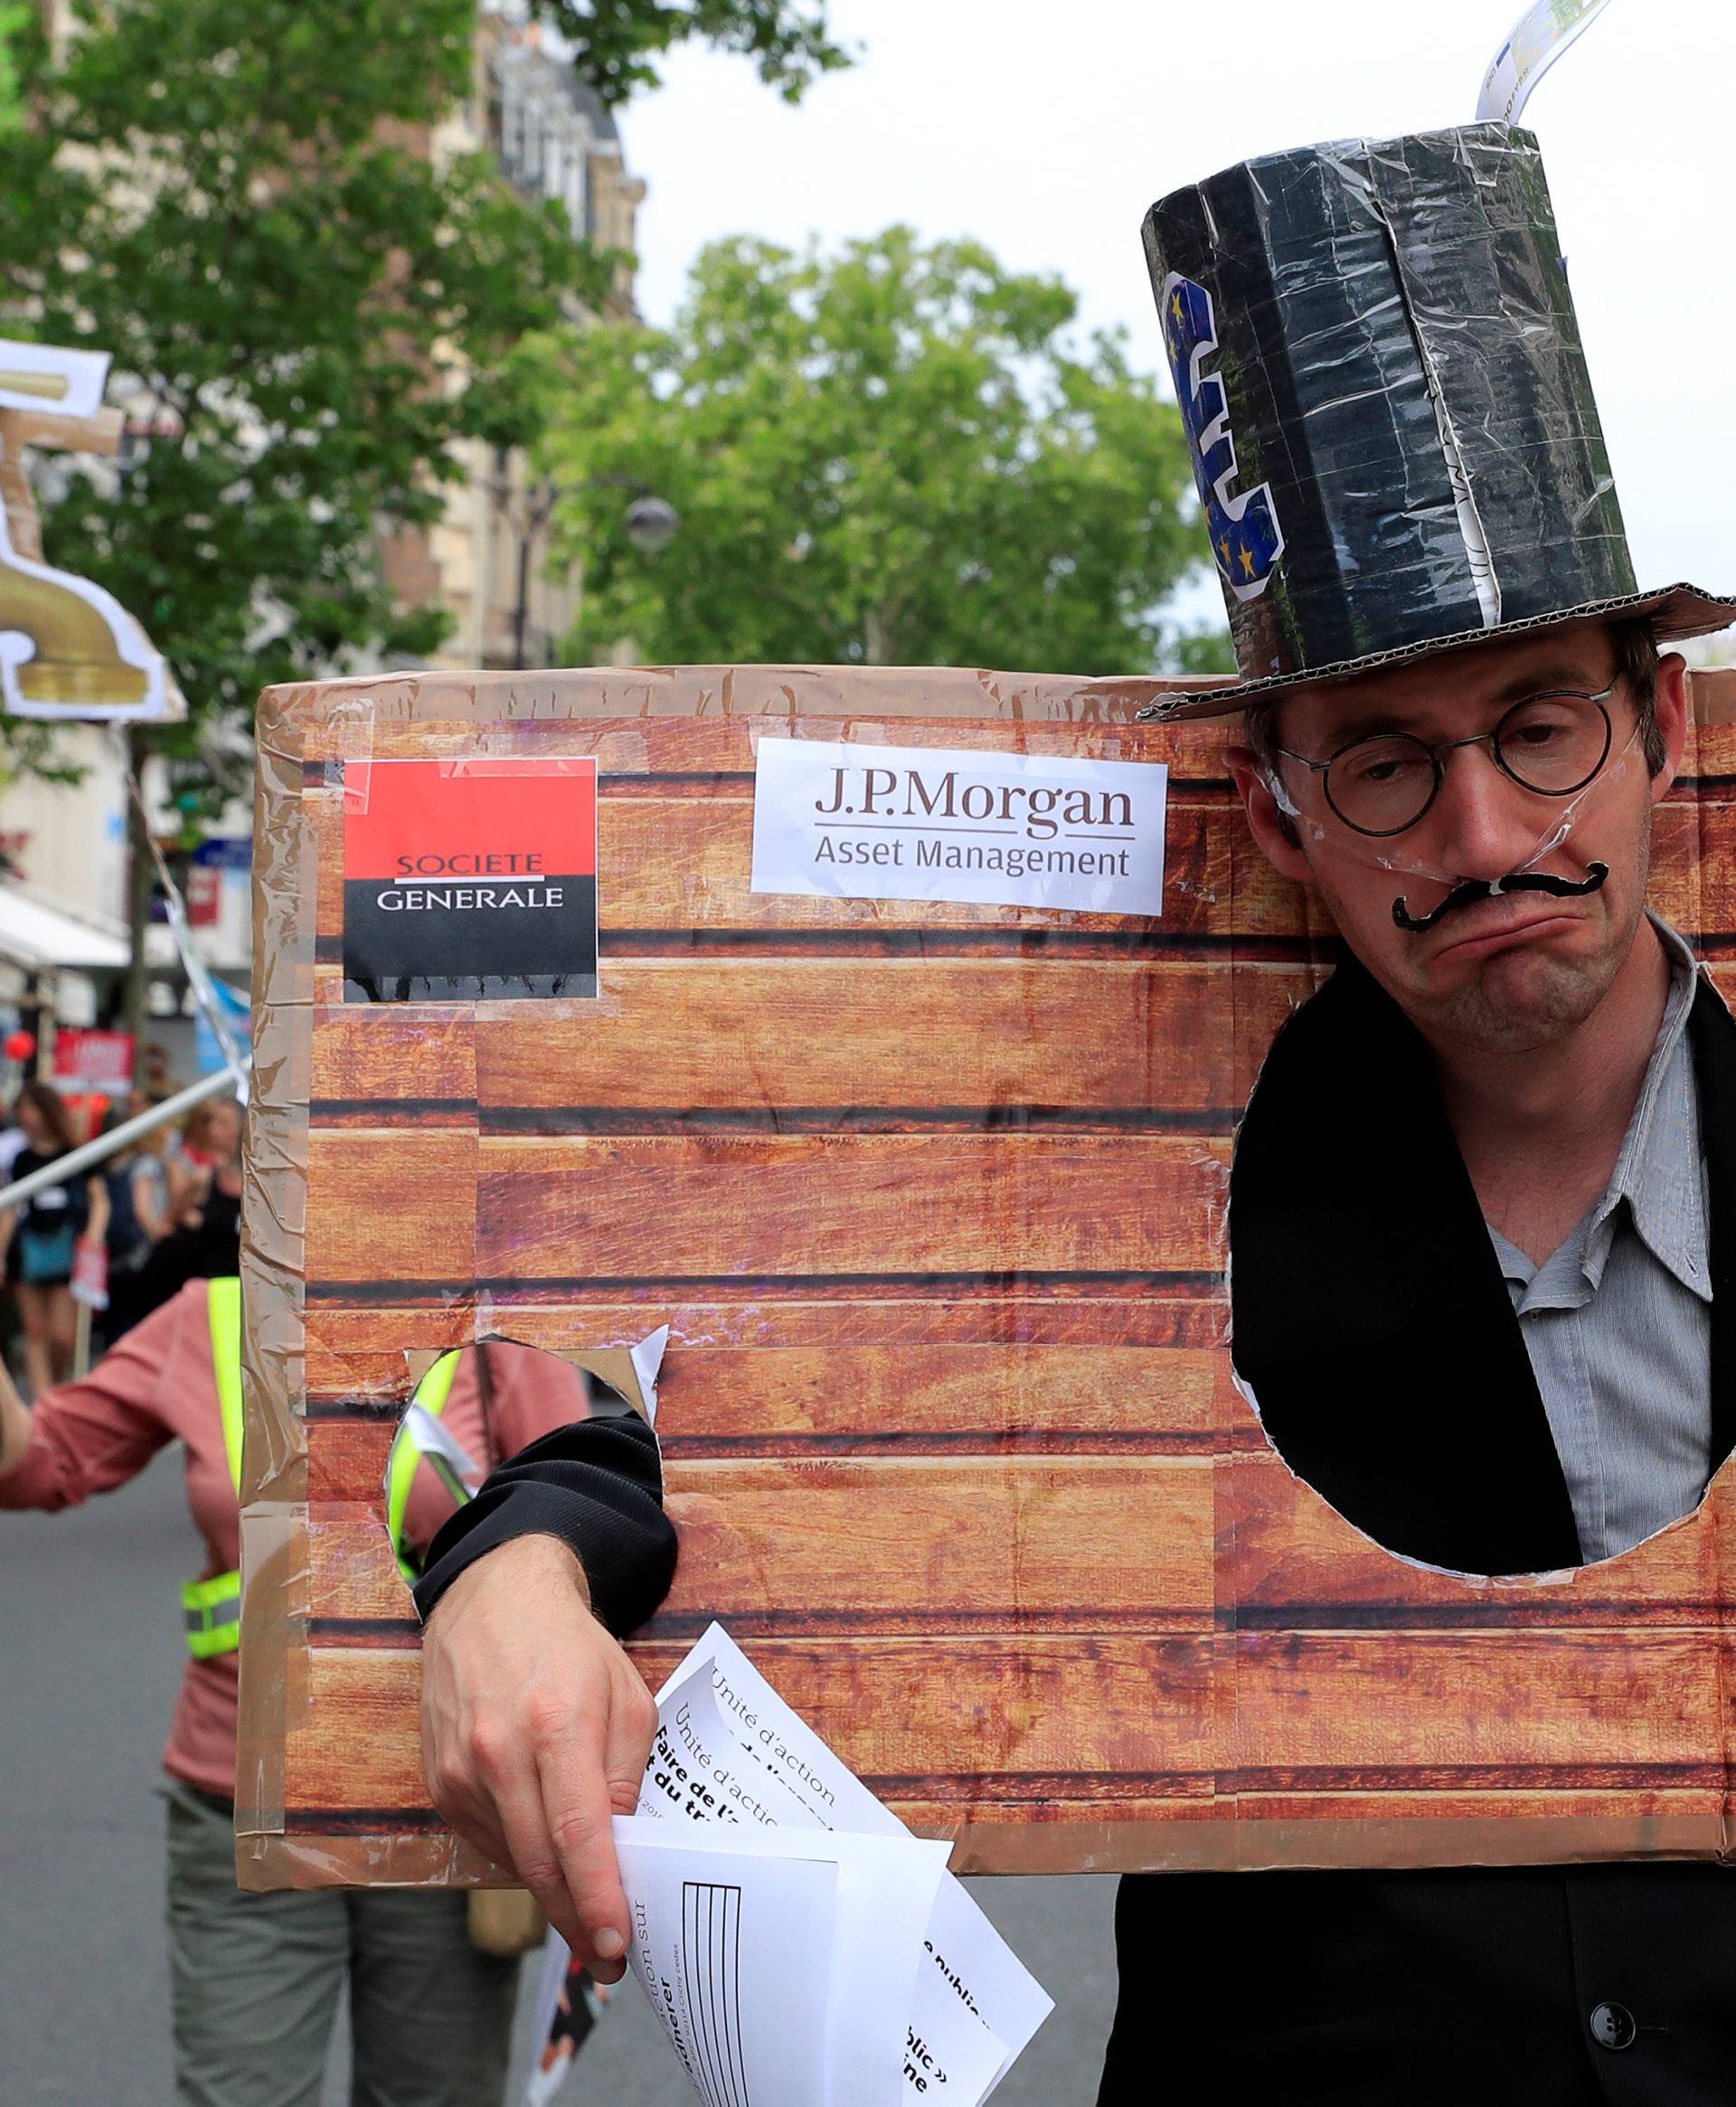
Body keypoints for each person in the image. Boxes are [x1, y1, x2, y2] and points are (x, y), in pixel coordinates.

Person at [409, 118, 1736, 2102]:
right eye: (1382, 766)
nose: (1483, 836)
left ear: (1666, 730)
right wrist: (509, 1560)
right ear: (1278, 810)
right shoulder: (1139, 1187)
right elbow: (749, 1339)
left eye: (1542, 728)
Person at [0, 1280, 533, 2107]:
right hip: (243, 1810)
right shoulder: (212, 1317)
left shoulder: (493, 1322)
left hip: (442, 1812)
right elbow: (36, 1463)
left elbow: (585, 1515)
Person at [0, 1077, 109, 1394]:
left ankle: (56, 1384)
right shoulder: (21, 1159)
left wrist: (92, 1237)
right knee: (34, 1331)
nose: (25, 1115)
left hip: (68, 1250)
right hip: (29, 1247)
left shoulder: (76, 1153)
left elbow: (99, 1198)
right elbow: (11, 1207)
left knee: (64, 1335)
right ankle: (44, 1401)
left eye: (31, 1107)